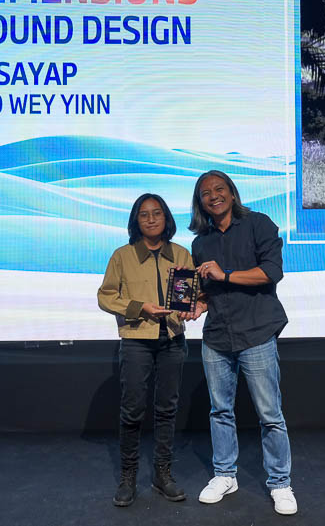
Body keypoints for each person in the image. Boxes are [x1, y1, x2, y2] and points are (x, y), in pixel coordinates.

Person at [187, 170, 297, 516]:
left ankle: (280, 482)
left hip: (256, 331)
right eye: (206, 193)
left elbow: (271, 272)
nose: (214, 196)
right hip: (217, 335)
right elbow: (211, 290)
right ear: (200, 202)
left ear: (232, 193)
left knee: (270, 414)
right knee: (219, 411)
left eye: (219, 189)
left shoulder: (258, 224)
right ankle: (225, 475)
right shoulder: (200, 243)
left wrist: (225, 274)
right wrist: (198, 305)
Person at [97, 193, 195, 507]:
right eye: (144, 214)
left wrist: (190, 307)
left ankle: (162, 474)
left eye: (157, 213)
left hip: (172, 340)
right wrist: (141, 308)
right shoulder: (122, 256)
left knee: (167, 409)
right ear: (135, 220)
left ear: (166, 217)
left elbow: (189, 296)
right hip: (137, 340)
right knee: (132, 409)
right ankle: (128, 476)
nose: (151, 219)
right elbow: (106, 296)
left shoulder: (181, 253)